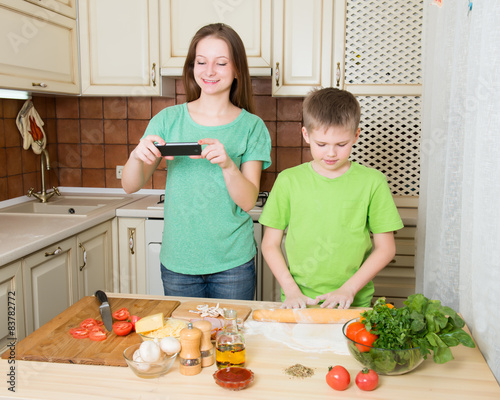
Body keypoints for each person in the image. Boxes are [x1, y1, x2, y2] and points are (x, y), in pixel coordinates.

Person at [122, 23, 271, 300]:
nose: (209, 71)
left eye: (221, 63)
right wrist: (135, 155)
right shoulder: (168, 120)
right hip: (178, 261)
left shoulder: (252, 126)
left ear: (237, 69)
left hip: (233, 263)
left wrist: (228, 165)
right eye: (201, 62)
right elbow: (130, 186)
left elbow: (249, 201)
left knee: (230, 341)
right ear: (192, 67)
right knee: (186, 342)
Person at [259, 87, 403, 309]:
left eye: (341, 144)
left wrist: (349, 289)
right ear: (306, 134)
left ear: (356, 135)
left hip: (353, 301)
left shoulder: (373, 182)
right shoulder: (289, 180)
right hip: (299, 300)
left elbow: (386, 249)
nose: (331, 153)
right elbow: (270, 244)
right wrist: (291, 291)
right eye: (322, 144)